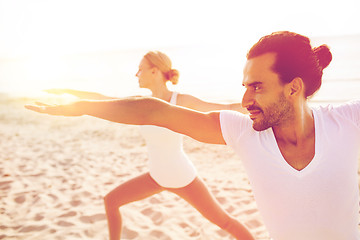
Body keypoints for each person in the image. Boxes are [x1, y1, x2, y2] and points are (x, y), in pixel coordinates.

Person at [25, 31, 360, 240]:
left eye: (257, 87)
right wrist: (78, 106)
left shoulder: (346, 122)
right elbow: (150, 110)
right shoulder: (243, 132)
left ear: (294, 88)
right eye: (244, 87)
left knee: (226, 222)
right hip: (161, 173)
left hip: (180, 175)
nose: (245, 100)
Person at [36, 51, 254, 240]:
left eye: (140, 69)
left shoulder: (180, 100)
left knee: (225, 222)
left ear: (154, 71)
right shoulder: (142, 103)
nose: (136, 74)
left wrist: (258, 104)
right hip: (156, 176)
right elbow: (104, 98)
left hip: (182, 177)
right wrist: (68, 92)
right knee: (111, 201)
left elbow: (225, 107)